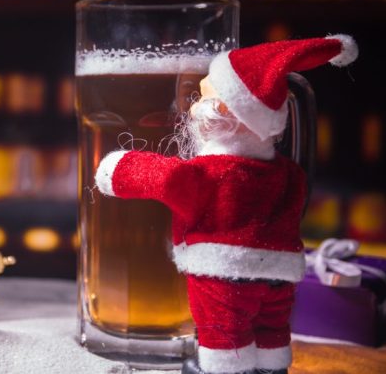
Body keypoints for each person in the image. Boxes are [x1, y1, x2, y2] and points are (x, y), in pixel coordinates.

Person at [94, 35, 358, 374]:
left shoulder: (209, 172)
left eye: (204, 95)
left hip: (223, 276)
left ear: (225, 112)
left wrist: (116, 169)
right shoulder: (289, 173)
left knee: (224, 335)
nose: (193, 107)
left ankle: (222, 369)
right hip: (280, 275)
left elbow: (168, 178)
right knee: (271, 329)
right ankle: (272, 367)